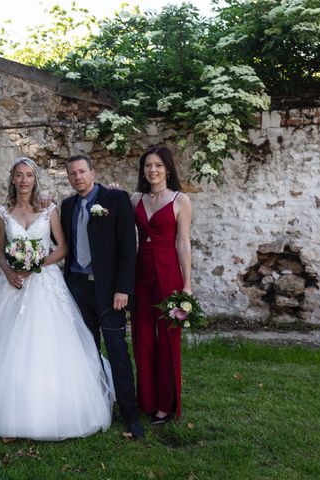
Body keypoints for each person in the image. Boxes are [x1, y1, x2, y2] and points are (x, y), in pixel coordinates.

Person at [0, 158, 114, 440]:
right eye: (19, 176)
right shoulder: (2, 213)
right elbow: (0, 251)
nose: (24, 180)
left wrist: (37, 264)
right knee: (4, 343)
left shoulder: (49, 209)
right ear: (12, 179)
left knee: (50, 342)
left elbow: (62, 248)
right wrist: (9, 269)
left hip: (45, 282)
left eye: (28, 176)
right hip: (13, 284)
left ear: (35, 180)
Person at [61, 154, 145, 439]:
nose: (77, 177)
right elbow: (62, 244)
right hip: (77, 287)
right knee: (86, 351)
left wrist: (124, 288)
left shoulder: (115, 200)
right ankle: (95, 404)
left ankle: (130, 414)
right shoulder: (67, 206)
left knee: (117, 351)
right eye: (72, 173)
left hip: (109, 291)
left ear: (93, 172)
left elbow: (127, 248)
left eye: (82, 171)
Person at [130, 145, 192, 425]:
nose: (152, 170)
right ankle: (146, 401)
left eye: (157, 165)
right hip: (141, 274)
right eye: (147, 166)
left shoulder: (181, 200)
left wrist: (187, 284)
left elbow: (183, 243)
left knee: (168, 339)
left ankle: (166, 406)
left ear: (167, 168)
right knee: (143, 337)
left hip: (169, 275)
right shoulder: (135, 199)